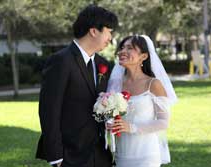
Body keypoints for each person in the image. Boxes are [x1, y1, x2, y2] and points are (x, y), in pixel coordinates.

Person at [36, 5, 118, 167]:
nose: (110, 37)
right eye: (109, 31)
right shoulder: (61, 61)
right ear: (94, 31)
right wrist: (56, 157)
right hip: (70, 155)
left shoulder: (104, 64)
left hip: (100, 153)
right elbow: (49, 111)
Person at [107, 35, 177, 167]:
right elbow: (110, 114)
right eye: (122, 48)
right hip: (121, 154)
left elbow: (163, 122)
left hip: (146, 155)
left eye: (130, 48)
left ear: (143, 57)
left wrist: (131, 128)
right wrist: (109, 122)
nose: (122, 51)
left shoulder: (153, 84)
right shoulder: (115, 84)